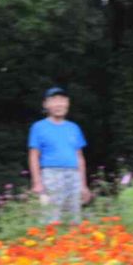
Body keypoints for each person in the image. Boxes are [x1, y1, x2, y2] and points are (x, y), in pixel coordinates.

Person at [28, 86, 91, 224]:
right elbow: (34, 156)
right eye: (54, 100)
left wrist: (83, 185)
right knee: (51, 219)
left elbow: (80, 157)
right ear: (46, 104)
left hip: (73, 176)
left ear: (67, 103)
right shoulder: (38, 127)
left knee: (74, 219)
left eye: (62, 100)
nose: (58, 104)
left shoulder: (74, 128)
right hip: (50, 176)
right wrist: (37, 183)